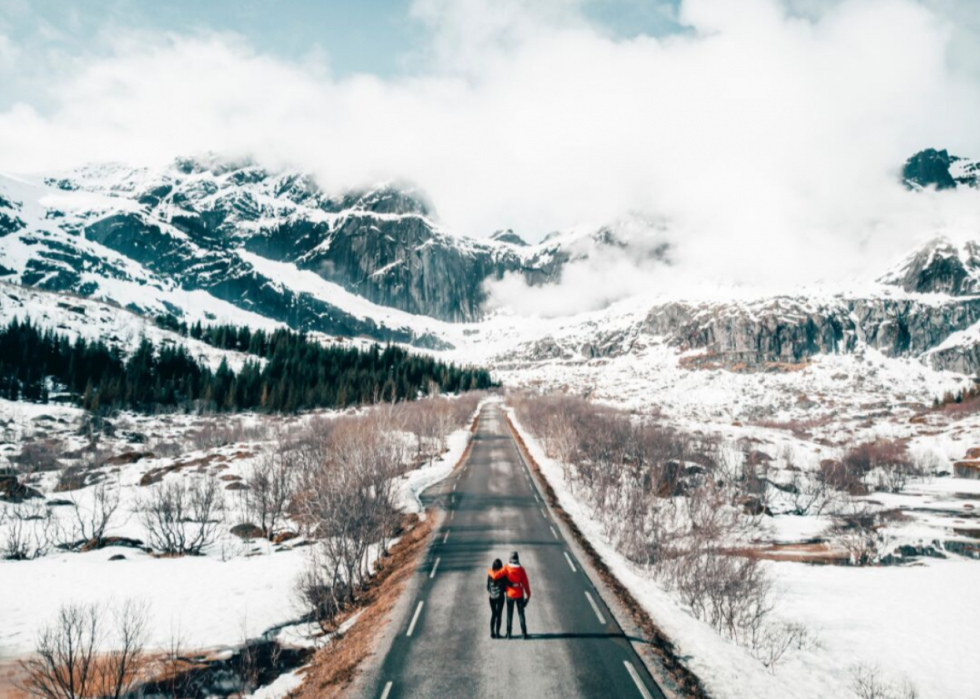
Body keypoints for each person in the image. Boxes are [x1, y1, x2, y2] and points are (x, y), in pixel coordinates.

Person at [504, 551, 531, 639]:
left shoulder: (506, 567)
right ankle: (524, 633)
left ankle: (508, 634)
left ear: (510, 559)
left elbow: (499, 576)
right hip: (519, 594)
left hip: (509, 594)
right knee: (521, 613)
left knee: (509, 614)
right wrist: (528, 595)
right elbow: (525, 583)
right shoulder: (521, 569)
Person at [487, 558, 508, 639]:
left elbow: (488, 587)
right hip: (500, 598)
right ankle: (498, 634)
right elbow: (505, 588)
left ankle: (492, 632)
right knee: (499, 615)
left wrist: (492, 591)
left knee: (493, 614)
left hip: (491, 598)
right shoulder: (502, 575)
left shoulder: (490, 575)